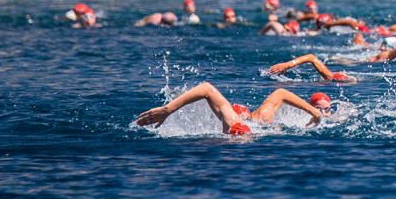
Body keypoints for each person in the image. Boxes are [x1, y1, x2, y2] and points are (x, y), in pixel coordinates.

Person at [136, 83, 326, 136]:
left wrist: (168, 109)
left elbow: (206, 88)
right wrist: (314, 112)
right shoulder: (263, 117)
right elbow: (281, 92)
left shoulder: (234, 120)